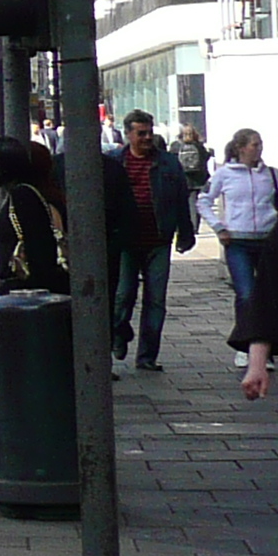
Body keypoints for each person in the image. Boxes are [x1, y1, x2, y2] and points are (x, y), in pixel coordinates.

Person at [100, 111, 197, 372]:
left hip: (158, 239)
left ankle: (147, 356)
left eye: (149, 132)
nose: (146, 137)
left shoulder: (167, 163)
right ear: (128, 134)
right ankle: (118, 335)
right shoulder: (114, 161)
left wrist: (185, 233)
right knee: (122, 296)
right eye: (140, 133)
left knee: (156, 300)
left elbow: (180, 198)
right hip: (126, 241)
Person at [201, 127, 276, 358]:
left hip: (266, 239)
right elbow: (203, 200)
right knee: (245, 293)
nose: (259, 148)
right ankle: (246, 346)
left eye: (261, 143)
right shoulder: (225, 174)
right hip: (238, 241)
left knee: (267, 294)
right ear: (241, 148)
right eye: (255, 144)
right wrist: (218, 227)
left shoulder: (271, 174)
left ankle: (265, 347)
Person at [0, 136, 68, 293]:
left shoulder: (23, 195)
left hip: (27, 290)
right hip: (27, 288)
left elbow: (37, 243)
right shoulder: (24, 193)